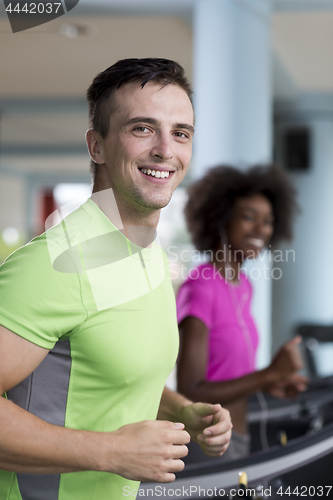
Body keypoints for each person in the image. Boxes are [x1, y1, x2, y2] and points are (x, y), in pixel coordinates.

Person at [0, 59, 232, 500]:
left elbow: (102, 363)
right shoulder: (52, 265)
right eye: (142, 128)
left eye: (181, 133)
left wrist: (183, 410)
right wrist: (110, 452)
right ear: (97, 146)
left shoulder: (146, 251)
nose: (166, 149)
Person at [176, 165, 307, 463]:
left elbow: (229, 372)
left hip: (239, 435)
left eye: (268, 221)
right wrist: (269, 373)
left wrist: (273, 383)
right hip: (208, 441)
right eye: (249, 217)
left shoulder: (243, 286)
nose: (261, 229)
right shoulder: (201, 288)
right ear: (220, 219)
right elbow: (190, 391)